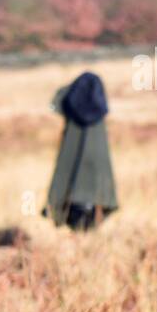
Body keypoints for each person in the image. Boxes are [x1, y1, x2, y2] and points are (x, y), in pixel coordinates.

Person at [44, 71, 118, 231]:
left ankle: (82, 238)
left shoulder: (71, 107)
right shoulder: (97, 121)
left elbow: (57, 102)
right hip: (93, 194)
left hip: (73, 198)